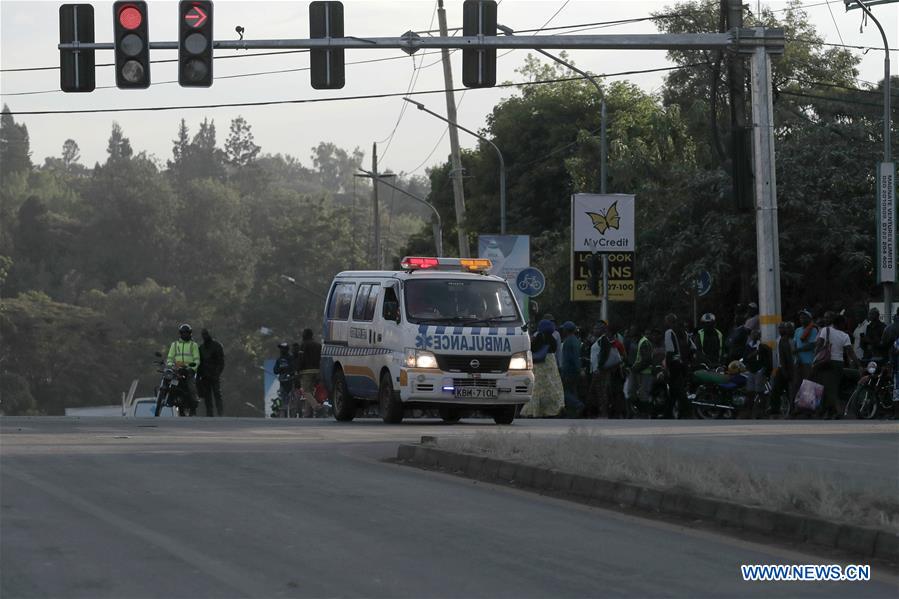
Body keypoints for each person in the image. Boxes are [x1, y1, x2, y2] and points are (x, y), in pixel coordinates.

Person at [813, 313, 860, 419]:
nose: (845, 325)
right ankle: (832, 412)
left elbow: (818, 345)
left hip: (825, 362)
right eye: (844, 323)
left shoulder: (826, 330)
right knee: (833, 388)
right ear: (840, 323)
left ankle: (832, 411)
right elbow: (850, 352)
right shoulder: (844, 335)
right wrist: (859, 364)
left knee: (827, 387)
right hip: (838, 363)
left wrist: (815, 358)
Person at [520, 320, 564, 417]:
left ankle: (534, 411)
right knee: (551, 388)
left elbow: (532, 349)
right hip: (551, 365)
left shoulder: (539, 336)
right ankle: (550, 410)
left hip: (540, 366)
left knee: (537, 388)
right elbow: (555, 349)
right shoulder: (553, 338)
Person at [166, 323, 200, 416]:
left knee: (191, 386)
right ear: (180, 334)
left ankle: (194, 404)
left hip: (189, 370)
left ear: (190, 334)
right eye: (183, 333)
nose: (185, 335)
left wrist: (192, 368)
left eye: (187, 333)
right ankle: (169, 398)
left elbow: (197, 359)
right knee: (169, 380)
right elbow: (170, 357)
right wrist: (170, 365)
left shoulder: (194, 345)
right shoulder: (175, 344)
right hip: (177, 369)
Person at [664, 313, 688, 418]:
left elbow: (670, 350)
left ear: (669, 321)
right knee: (674, 390)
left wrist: (667, 367)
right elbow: (692, 348)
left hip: (674, 364)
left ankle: (684, 412)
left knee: (677, 389)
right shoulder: (683, 333)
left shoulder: (669, 332)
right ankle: (669, 414)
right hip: (682, 364)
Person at [559, 321, 585, 418]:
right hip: (574, 370)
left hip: (569, 370)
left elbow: (571, 358)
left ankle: (578, 405)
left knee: (565, 391)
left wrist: (578, 369)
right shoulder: (575, 340)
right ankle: (573, 412)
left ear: (566, 330)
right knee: (573, 390)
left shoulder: (568, 341)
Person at [197, 328, 225, 417]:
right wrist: (199, 375)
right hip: (205, 375)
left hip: (214, 375)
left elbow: (221, 362)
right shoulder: (201, 348)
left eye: (206, 334)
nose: (205, 336)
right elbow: (199, 363)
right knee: (207, 397)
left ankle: (220, 413)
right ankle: (210, 414)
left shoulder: (217, 346)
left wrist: (217, 373)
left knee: (217, 394)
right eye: (203, 335)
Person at [768, 322, 794, 417]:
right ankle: (775, 410)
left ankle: (791, 410)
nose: (781, 330)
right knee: (776, 390)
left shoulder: (790, 340)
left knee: (790, 390)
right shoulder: (780, 340)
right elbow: (778, 356)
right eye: (780, 328)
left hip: (789, 368)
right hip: (781, 368)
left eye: (783, 328)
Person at [297, 329, 323, 418]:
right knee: (310, 392)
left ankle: (316, 406)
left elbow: (301, 358)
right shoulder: (318, 345)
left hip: (306, 371)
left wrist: (298, 370)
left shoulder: (303, 345)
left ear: (304, 335)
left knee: (306, 392)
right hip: (317, 370)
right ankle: (308, 413)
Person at [629, 327, 655, 415]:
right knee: (632, 392)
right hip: (639, 371)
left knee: (643, 394)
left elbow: (647, 360)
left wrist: (636, 368)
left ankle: (646, 413)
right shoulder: (639, 342)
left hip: (645, 372)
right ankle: (643, 411)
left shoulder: (644, 342)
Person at [793, 309, 818, 393]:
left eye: (804, 317)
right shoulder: (797, 330)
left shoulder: (813, 330)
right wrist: (797, 356)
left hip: (809, 362)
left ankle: (809, 405)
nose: (802, 318)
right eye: (801, 317)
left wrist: (798, 350)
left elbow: (812, 345)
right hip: (799, 362)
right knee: (797, 384)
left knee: (808, 385)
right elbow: (795, 345)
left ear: (809, 318)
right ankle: (798, 405)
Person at [272, 342, 296, 417]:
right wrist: (281, 368)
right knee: (283, 402)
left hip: (291, 382)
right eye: (280, 348)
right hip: (282, 382)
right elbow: (275, 371)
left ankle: (293, 419)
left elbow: (293, 368)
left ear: (286, 349)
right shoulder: (279, 359)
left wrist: (287, 370)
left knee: (292, 401)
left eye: (282, 348)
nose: (281, 350)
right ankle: (283, 419)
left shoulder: (291, 358)